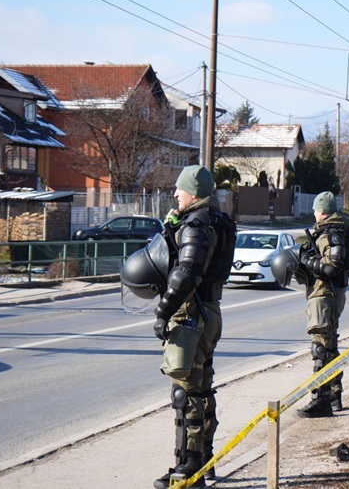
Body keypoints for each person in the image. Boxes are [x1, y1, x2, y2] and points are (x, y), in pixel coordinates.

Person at [141, 165, 236, 489]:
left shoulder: (197, 224)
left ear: (193, 192)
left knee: (186, 394)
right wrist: (171, 227)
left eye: (179, 190)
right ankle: (205, 460)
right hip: (209, 312)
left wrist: (163, 311)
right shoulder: (215, 221)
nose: (176, 195)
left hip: (192, 315)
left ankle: (188, 468)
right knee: (203, 387)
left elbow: (187, 273)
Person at [295, 191, 349, 418]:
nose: (313, 213)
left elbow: (331, 267)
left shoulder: (332, 233)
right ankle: (333, 395)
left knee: (321, 348)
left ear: (322, 211)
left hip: (325, 294)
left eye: (315, 210)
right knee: (329, 346)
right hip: (329, 294)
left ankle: (320, 400)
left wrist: (306, 261)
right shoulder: (337, 230)